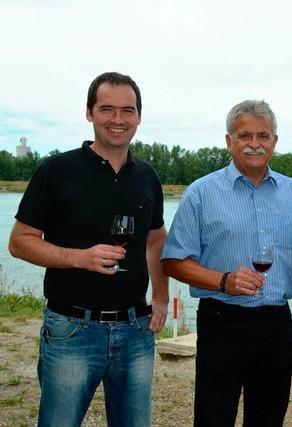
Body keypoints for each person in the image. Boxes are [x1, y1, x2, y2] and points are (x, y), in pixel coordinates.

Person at [8, 71, 168, 426]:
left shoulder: (147, 177)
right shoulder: (57, 170)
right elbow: (19, 242)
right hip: (71, 330)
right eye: (107, 109)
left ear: (139, 117)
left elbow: (156, 239)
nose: (117, 119)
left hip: (135, 329)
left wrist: (160, 295)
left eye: (127, 111)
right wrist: (80, 257)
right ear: (89, 113)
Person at [161, 99, 292, 427]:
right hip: (222, 322)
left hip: (277, 324)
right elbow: (173, 261)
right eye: (245, 135)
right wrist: (223, 280)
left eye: (263, 136)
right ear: (229, 140)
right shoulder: (201, 193)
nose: (255, 144)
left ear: (275, 141)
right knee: (213, 417)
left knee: (268, 418)